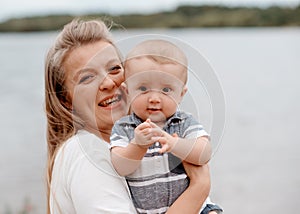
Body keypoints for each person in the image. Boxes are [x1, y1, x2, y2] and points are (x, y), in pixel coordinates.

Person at [45, 18, 213, 214]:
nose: (108, 82)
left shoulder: (135, 137)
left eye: (115, 68)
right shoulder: (87, 153)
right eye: (87, 77)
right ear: (66, 99)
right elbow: (195, 191)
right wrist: (199, 187)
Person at [110, 40, 223, 214]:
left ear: (181, 94)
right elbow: (120, 166)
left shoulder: (184, 123)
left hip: (197, 209)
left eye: (166, 90)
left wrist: (176, 144)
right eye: (143, 88)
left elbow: (204, 152)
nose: (154, 98)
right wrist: (138, 145)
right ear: (127, 91)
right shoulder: (124, 128)